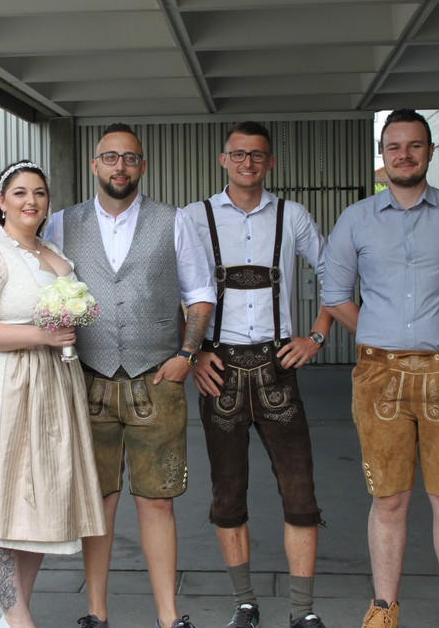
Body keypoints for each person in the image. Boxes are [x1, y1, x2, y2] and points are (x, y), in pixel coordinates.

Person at [321, 109, 439, 628]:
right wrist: (381, 333)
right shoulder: (356, 219)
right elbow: (334, 295)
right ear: (382, 155)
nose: (405, 154)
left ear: (429, 151)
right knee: (389, 499)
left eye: (415, 145)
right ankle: (384, 608)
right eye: (394, 146)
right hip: (379, 375)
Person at [45, 123, 215, 628]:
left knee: (157, 501)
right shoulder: (62, 223)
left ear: (142, 166)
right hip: (87, 380)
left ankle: (169, 616)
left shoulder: (174, 220)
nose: (120, 166)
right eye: (110, 157)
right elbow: (42, 291)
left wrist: (187, 354)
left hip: (156, 381)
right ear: (94, 165)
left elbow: (200, 293)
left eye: (130, 158)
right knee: (97, 503)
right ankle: (96, 613)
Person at [184, 121, 330, 628]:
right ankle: (244, 603)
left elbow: (335, 273)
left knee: (300, 493)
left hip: (277, 367)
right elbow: (172, 288)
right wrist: (193, 353)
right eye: (239, 154)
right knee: (227, 494)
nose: (248, 163)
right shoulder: (194, 217)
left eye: (257, 155)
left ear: (270, 162)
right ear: (223, 159)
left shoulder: (293, 215)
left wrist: (316, 336)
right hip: (218, 368)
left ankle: (302, 611)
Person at [0, 160, 105, 628]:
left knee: (38, 502)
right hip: (1, 385)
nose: (30, 201)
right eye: (19, 192)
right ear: (1, 201)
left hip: (52, 386)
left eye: (39, 192)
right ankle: (20, 620)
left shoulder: (53, 251)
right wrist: (41, 336)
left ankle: (12, 612)